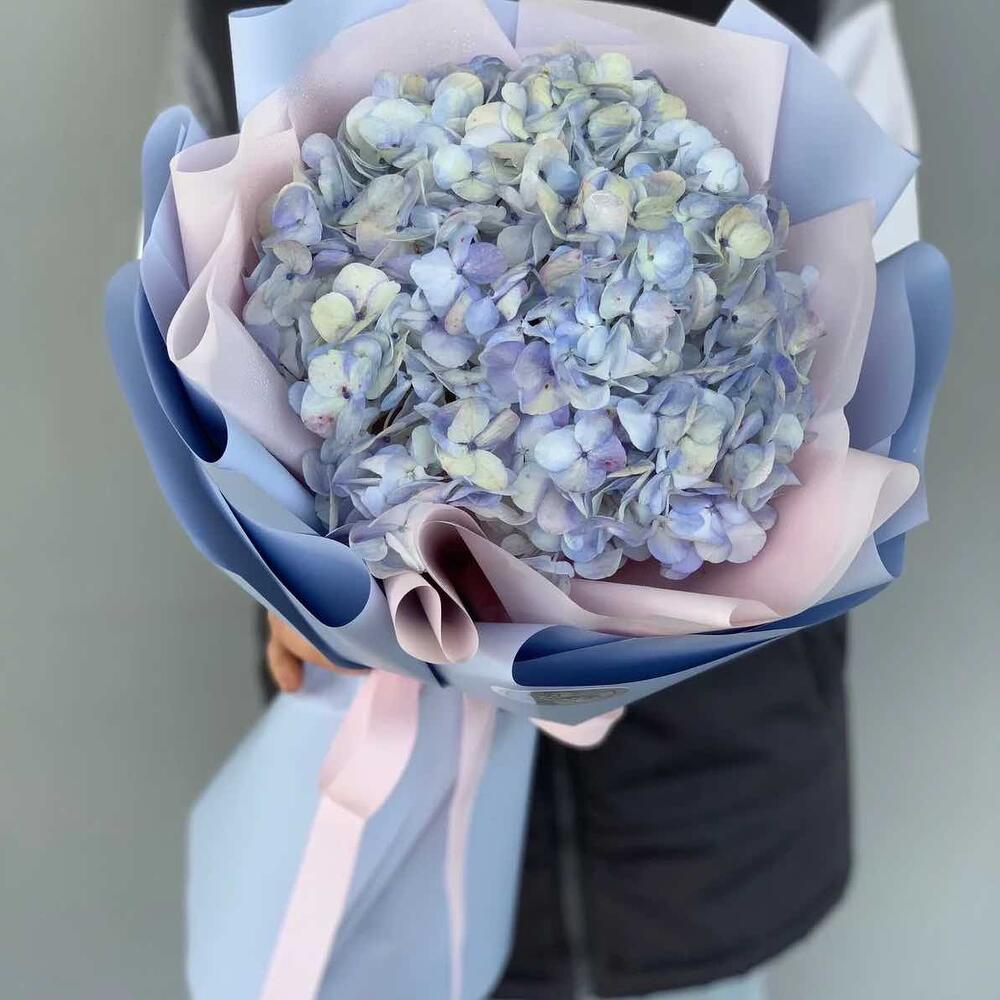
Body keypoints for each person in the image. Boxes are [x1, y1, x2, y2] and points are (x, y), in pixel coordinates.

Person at [181, 2, 856, 998]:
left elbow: (856, 250)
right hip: (380, 720)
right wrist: (281, 555)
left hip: (708, 783)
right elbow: (203, 246)